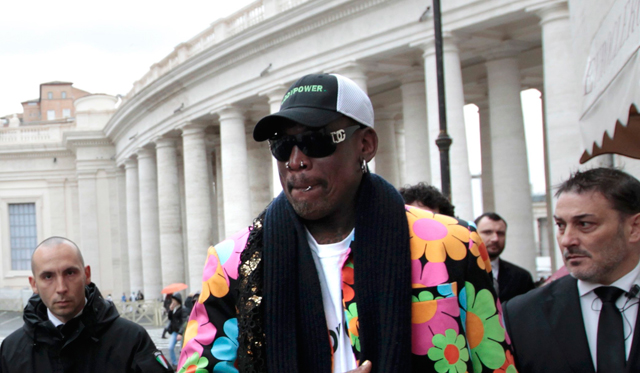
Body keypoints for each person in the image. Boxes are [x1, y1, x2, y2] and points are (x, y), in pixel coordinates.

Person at [179, 73, 514, 373]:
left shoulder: (453, 245)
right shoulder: (233, 264)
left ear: (365, 145)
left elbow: (495, 363)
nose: (296, 161)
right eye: (282, 145)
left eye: (316, 141)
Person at [503, 168, 640, 372]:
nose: (567, 240)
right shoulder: (520, 315)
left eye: (584, 224)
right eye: (560, 225)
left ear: (634, 228)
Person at [0, 236, 173, 372]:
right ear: (33, 284)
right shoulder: (10, 351)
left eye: (70, 273)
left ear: (86, 274)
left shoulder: (132, 339)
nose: (61, 288)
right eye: (48, 276)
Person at [475, 212, 535, 303]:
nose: (495, 238)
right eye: (487, 232)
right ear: (474, 235)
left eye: (500, 233)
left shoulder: (522, 277)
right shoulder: (461, 273)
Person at [167, 293, 189, 369]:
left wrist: (180, 333)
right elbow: (170, 319)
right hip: (174, 331)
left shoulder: (183, 309)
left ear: (178, 301)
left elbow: (184, 321)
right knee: (170, 347)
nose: (173, 302)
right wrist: (170, 310)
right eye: (172, 300)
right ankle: (175, 363)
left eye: (174, 300)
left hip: (181, 332)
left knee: (182, 349)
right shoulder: (174, 309)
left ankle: (184, 363)